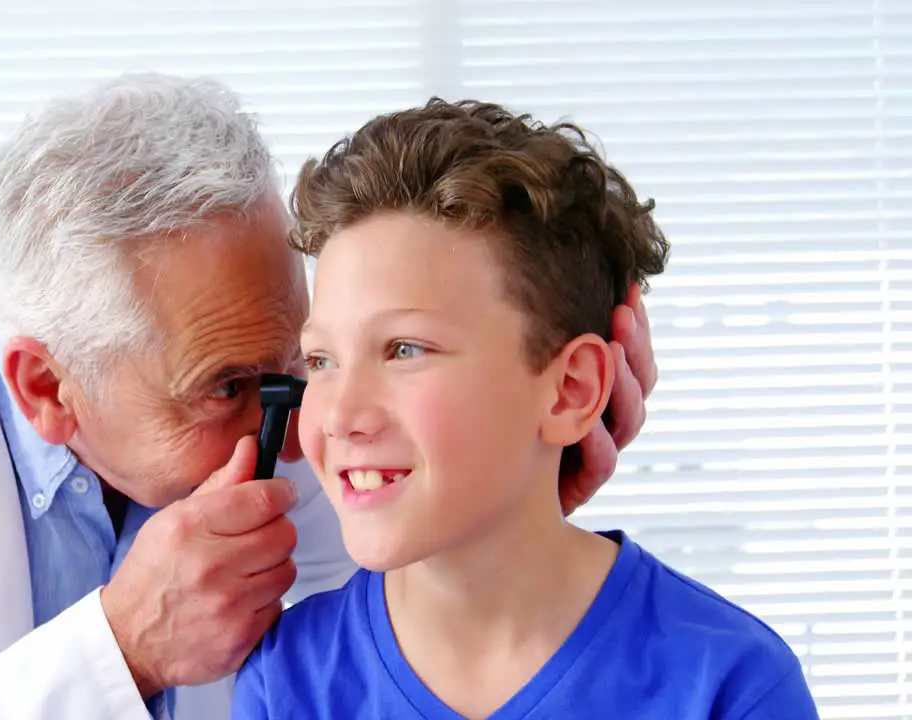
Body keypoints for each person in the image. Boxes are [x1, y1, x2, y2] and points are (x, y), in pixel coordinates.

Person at [0, 74, 657, 720]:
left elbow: (376, 669)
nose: (300, 433)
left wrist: (494, 511)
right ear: (46, 390)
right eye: (227, 389)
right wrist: (124, 649)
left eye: (297, 364)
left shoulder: (289, 397)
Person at [231, 99, 819, 719]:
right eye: (321, 360)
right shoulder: (284, 685)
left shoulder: (729, 685)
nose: (339, 413)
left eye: (404, 349)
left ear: (570, 391)